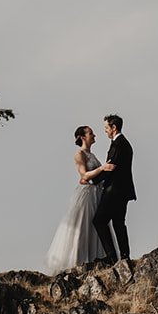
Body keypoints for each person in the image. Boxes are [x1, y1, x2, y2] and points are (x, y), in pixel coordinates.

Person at [45, 125, 109, 273]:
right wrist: (102, 169)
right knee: (82, 226)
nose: (94, 136)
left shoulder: (92, 155)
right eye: (91, 133)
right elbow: (84, 175)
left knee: (96, 226)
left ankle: (95, 259)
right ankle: (77, 260)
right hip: (86, 195)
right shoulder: (79, 155)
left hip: (96, 193)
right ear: (82, 137)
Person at [92, 114, 135, 262]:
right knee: (118, 223)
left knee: (99, 220)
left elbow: (110, 168)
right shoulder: (123, 143)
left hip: (114, 191)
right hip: (123, 191)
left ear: (113, 127)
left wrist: (92, 180)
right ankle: (124, 256)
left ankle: (111, 256)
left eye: (106, 128)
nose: (105, 131)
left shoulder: (119, 144)